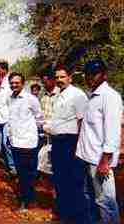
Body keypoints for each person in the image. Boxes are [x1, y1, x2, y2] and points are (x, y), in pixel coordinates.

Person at [76, 60, 122, 224]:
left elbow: (112, 133)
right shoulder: (93, 96)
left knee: (106, 202)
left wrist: (105, 161)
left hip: (99, 160)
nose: (90, 78)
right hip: (86, 157)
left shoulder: (110, 97)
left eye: (94, 74)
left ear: (104, 75)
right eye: (87, 74)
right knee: (91, 198)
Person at [44, 64, 88, 223]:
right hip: (57, 142)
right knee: (59, 179)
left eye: (62, 77)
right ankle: (63, 213)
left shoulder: (78, 95)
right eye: (56, 77)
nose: (59, 80)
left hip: (71, 143)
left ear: (70, 77)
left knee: (72, 181)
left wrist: (78, 146)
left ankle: (75, 216)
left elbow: (82, 122)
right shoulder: (58, 95)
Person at [6, 72, 43, 212]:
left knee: (28, 173)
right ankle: (27, 197)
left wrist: (37, 136)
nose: (14, 85)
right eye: (12, 82)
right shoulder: (10, 99)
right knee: (21, 173)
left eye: (17, 82)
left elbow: (39, 117)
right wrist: (9, 138)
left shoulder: (31, 99)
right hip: (15, 142)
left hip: (28, 143)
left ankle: (26, 201)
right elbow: (10, 120)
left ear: (23, 83)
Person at [0, 62, 16, 175]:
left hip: (7, 120)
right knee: (0, 144)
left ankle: (13, 168)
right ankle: (7, 164)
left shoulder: (8, 85)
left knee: (6, 143)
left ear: (5, 70)